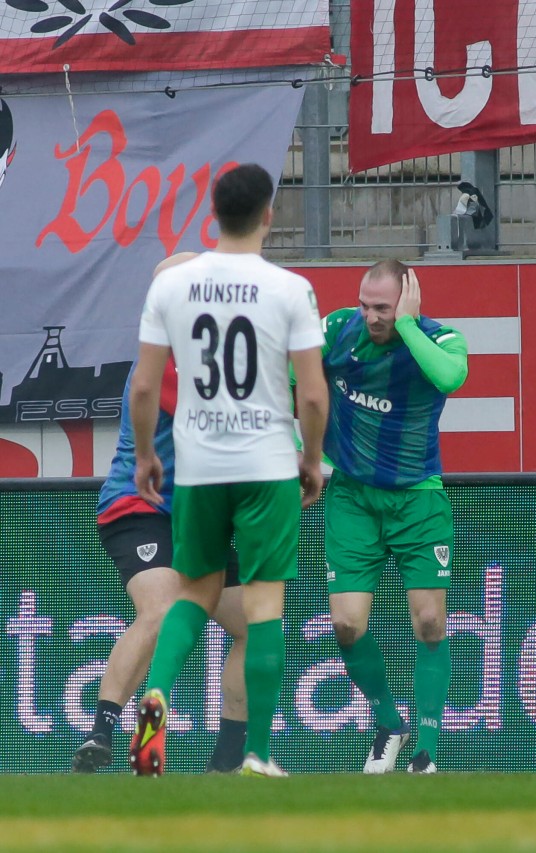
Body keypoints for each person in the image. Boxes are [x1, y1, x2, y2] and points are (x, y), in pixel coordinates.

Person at [127, 163, 329, 778]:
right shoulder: (290, 288)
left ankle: (150, 732)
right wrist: (312, 460)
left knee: (193, 594)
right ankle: (257, 756)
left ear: (212, 213)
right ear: (270, 214)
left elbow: (142, 387)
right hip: (266, 465)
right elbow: (314, 396)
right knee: (264, 604)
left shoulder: (172, 286)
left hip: (198, 463)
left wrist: (145, 455)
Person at [72, 252, 250, 775]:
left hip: (198, 515)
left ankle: (228, 760)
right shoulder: (169, 359)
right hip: (140, 506)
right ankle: (102, 731)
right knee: (165, 608)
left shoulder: (212, 350)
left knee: (253, 626)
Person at [321, 260, 468, 774]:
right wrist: (303, 449)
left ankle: (425, 750)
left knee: (429, 621)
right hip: (352, 497)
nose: (370, 316)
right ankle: (389, 723)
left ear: (407, 302)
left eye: (382, 308)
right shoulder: (339, 330)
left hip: (417, 500)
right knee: (345, 624)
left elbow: (452, 377)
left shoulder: (439, 339)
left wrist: (407, 325)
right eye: (365, 304)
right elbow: (289, 373)